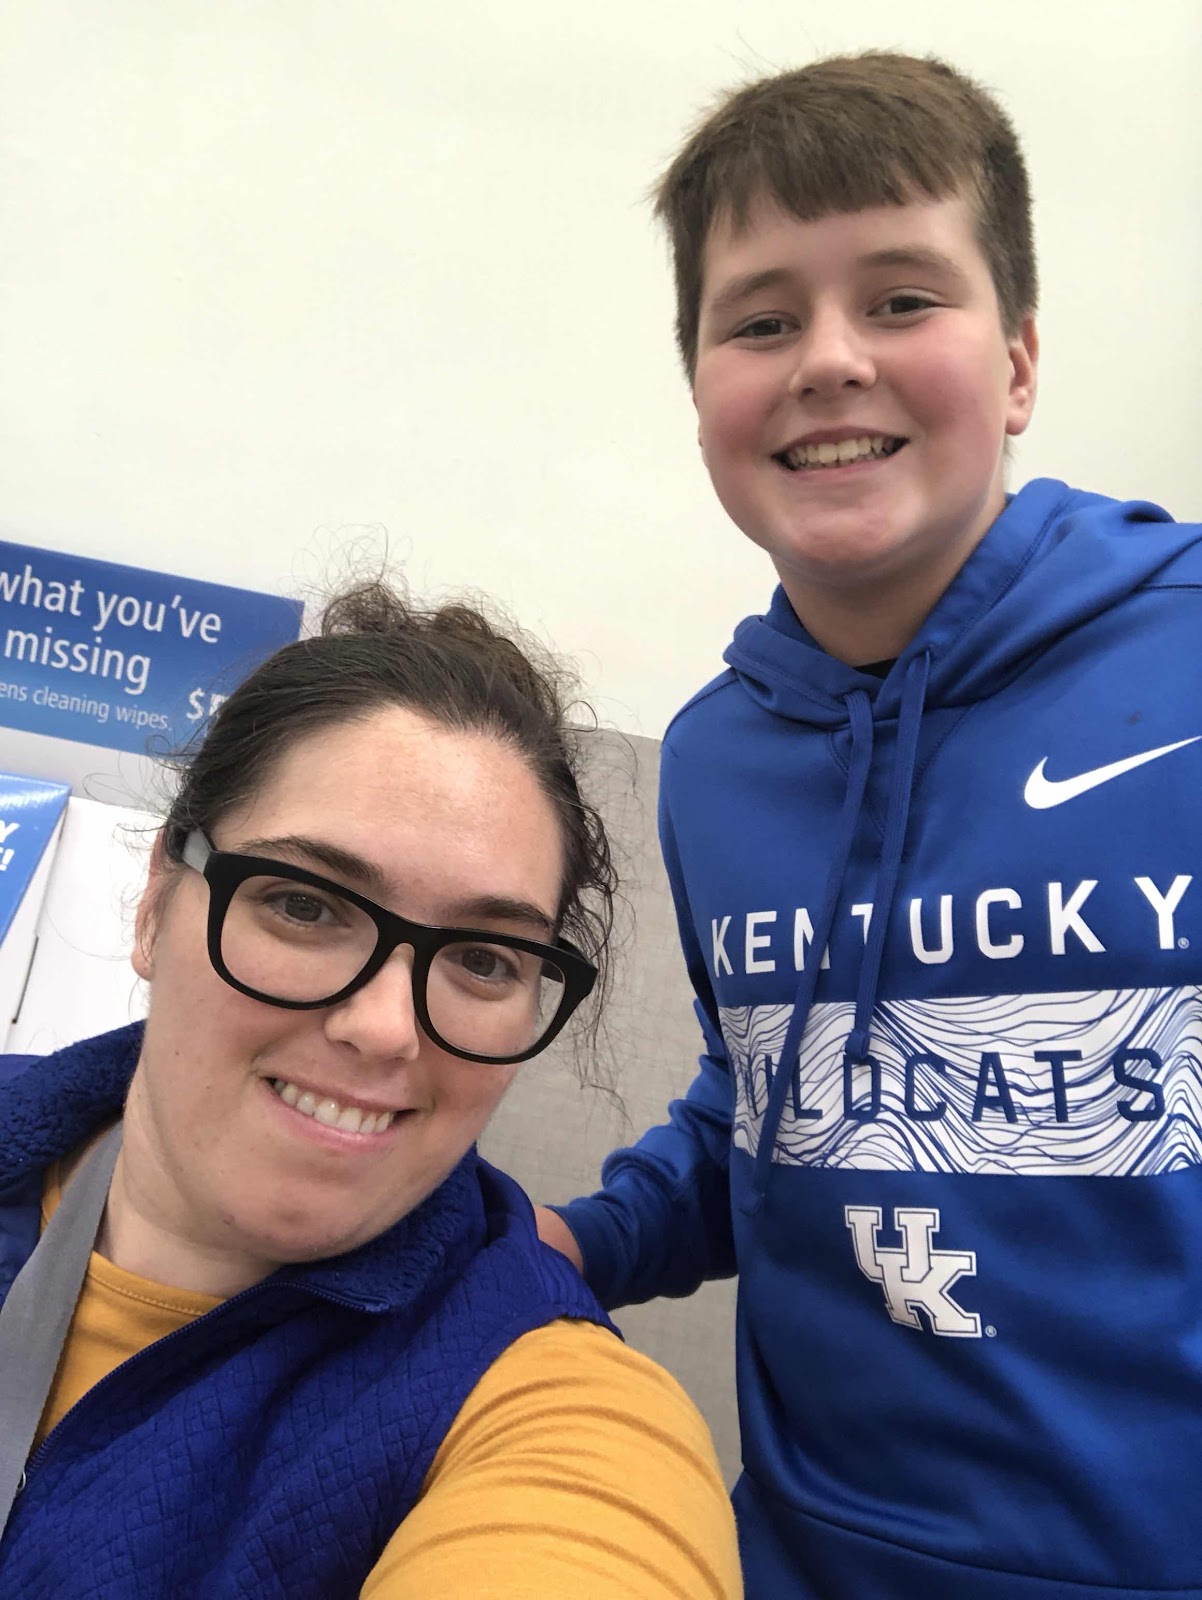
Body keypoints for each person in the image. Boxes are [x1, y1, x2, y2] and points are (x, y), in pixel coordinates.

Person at [536, 50, 1202, 1600]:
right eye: (760, 321)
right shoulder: (713, 761)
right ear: (699, 390)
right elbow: (776, 1104)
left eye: (901, 299)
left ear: (1017, 364)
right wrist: (583, 1242)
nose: (828, 360)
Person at [0, 582, 742, 1599]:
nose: (387, 1026)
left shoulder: (553, 1417)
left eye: (482, 959)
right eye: (305, 906)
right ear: (158, 900)